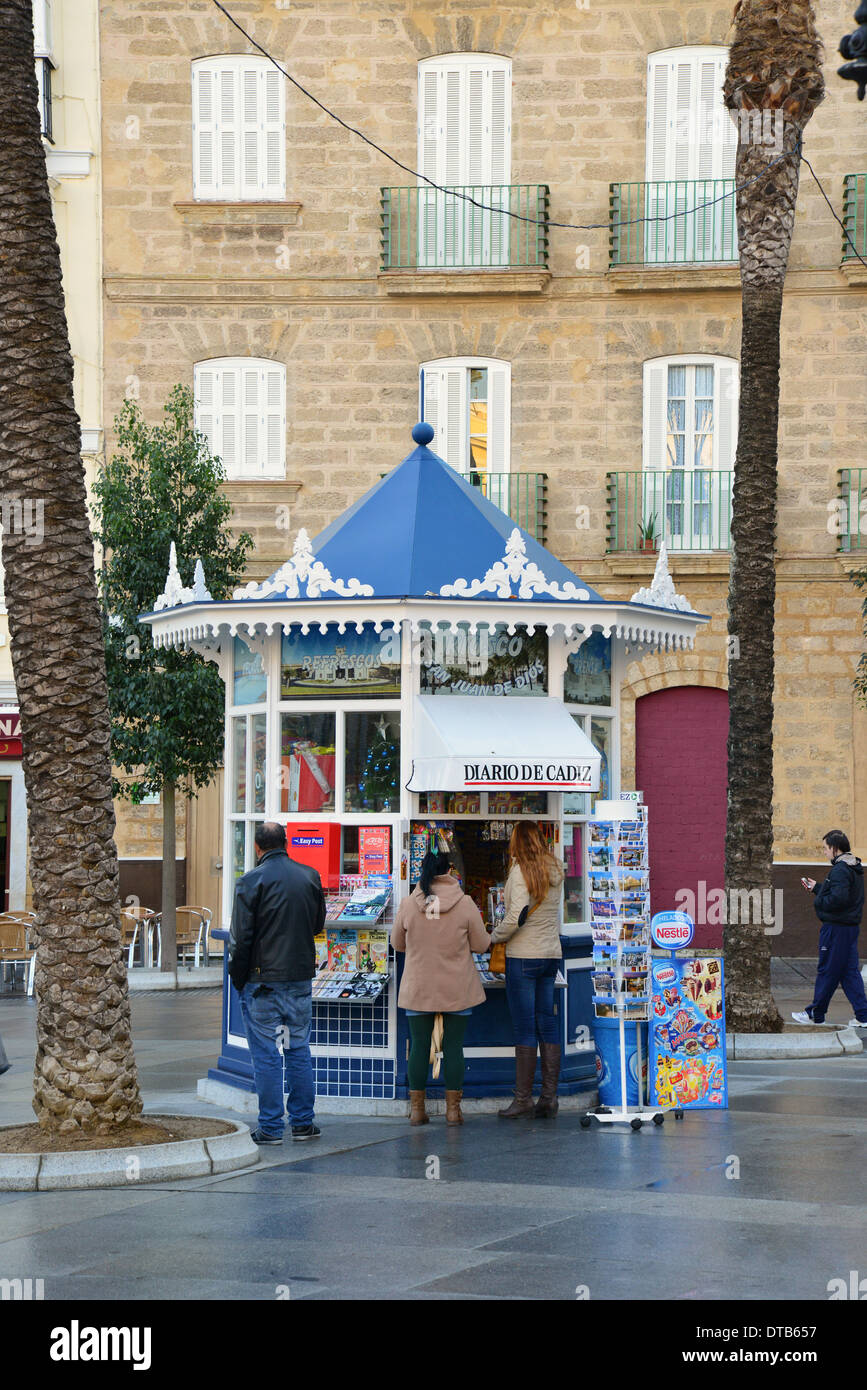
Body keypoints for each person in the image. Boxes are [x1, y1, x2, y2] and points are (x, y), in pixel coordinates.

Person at [228, 820, 326, 1144]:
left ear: (257, 847)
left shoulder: (249, 882)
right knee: (298, 1048)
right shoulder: (310, 876)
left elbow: (240, 940)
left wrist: (238, 978)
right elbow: (316, 924)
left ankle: (270, 1127)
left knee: (267, 1054)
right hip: (298, 978)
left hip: (262, 980)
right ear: (286, 843)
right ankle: (302, 1123)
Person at [391, 850, 491, 1126]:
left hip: (419, 987)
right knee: (453, 1047)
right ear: (449, 871)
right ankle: (452, 1112)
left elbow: (397, 943)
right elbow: (482, 945)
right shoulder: (466, 903)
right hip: (456, 988)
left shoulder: (410, 903)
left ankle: (417, 1111)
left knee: (420, 1046)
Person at [492, 821, 565, 1119]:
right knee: (546, 1023)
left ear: (517, 842)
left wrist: (495, 936)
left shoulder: (521, 871)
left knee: (524, 1028)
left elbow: (517, 915)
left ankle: (522, 1099)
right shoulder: (555, 867)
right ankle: (549, 1098)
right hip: (551, 955)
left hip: (523, 956)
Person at [792, 829, 867, 1028]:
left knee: (828, 971)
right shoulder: (853, 866)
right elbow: (843, 894)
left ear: (835, 848)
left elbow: (838, 898)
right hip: (849, 928)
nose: (824, 852)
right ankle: (863, 1016)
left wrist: (820, 901)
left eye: (825, 848)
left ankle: (814, 1014)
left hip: (836, 929)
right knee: (849, 973)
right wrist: (818, 887)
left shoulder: (840, 869)